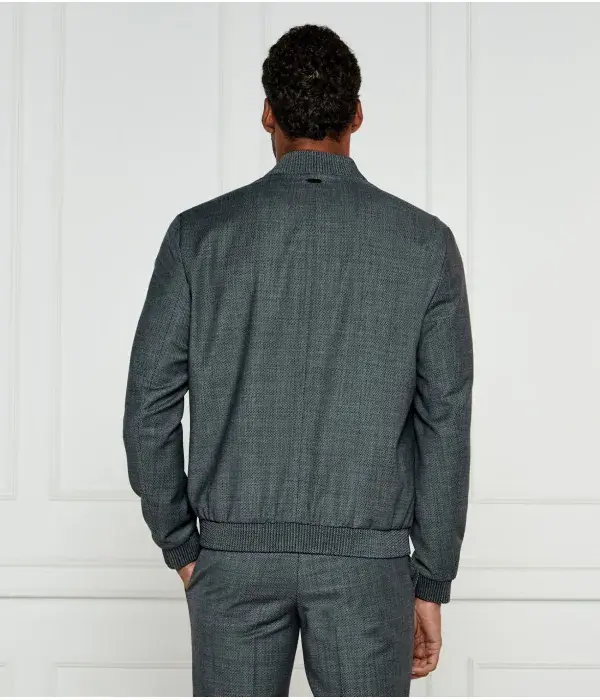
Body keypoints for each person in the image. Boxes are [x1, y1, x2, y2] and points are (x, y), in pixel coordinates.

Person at [123, 23, 473, 698]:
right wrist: (431, 579)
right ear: (358, 115)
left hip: (233, 564)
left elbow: (148, 411)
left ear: (268, 114)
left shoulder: (199, 237)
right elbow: (445, 423)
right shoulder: (424, 245)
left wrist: (184, 546)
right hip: (367, 571)